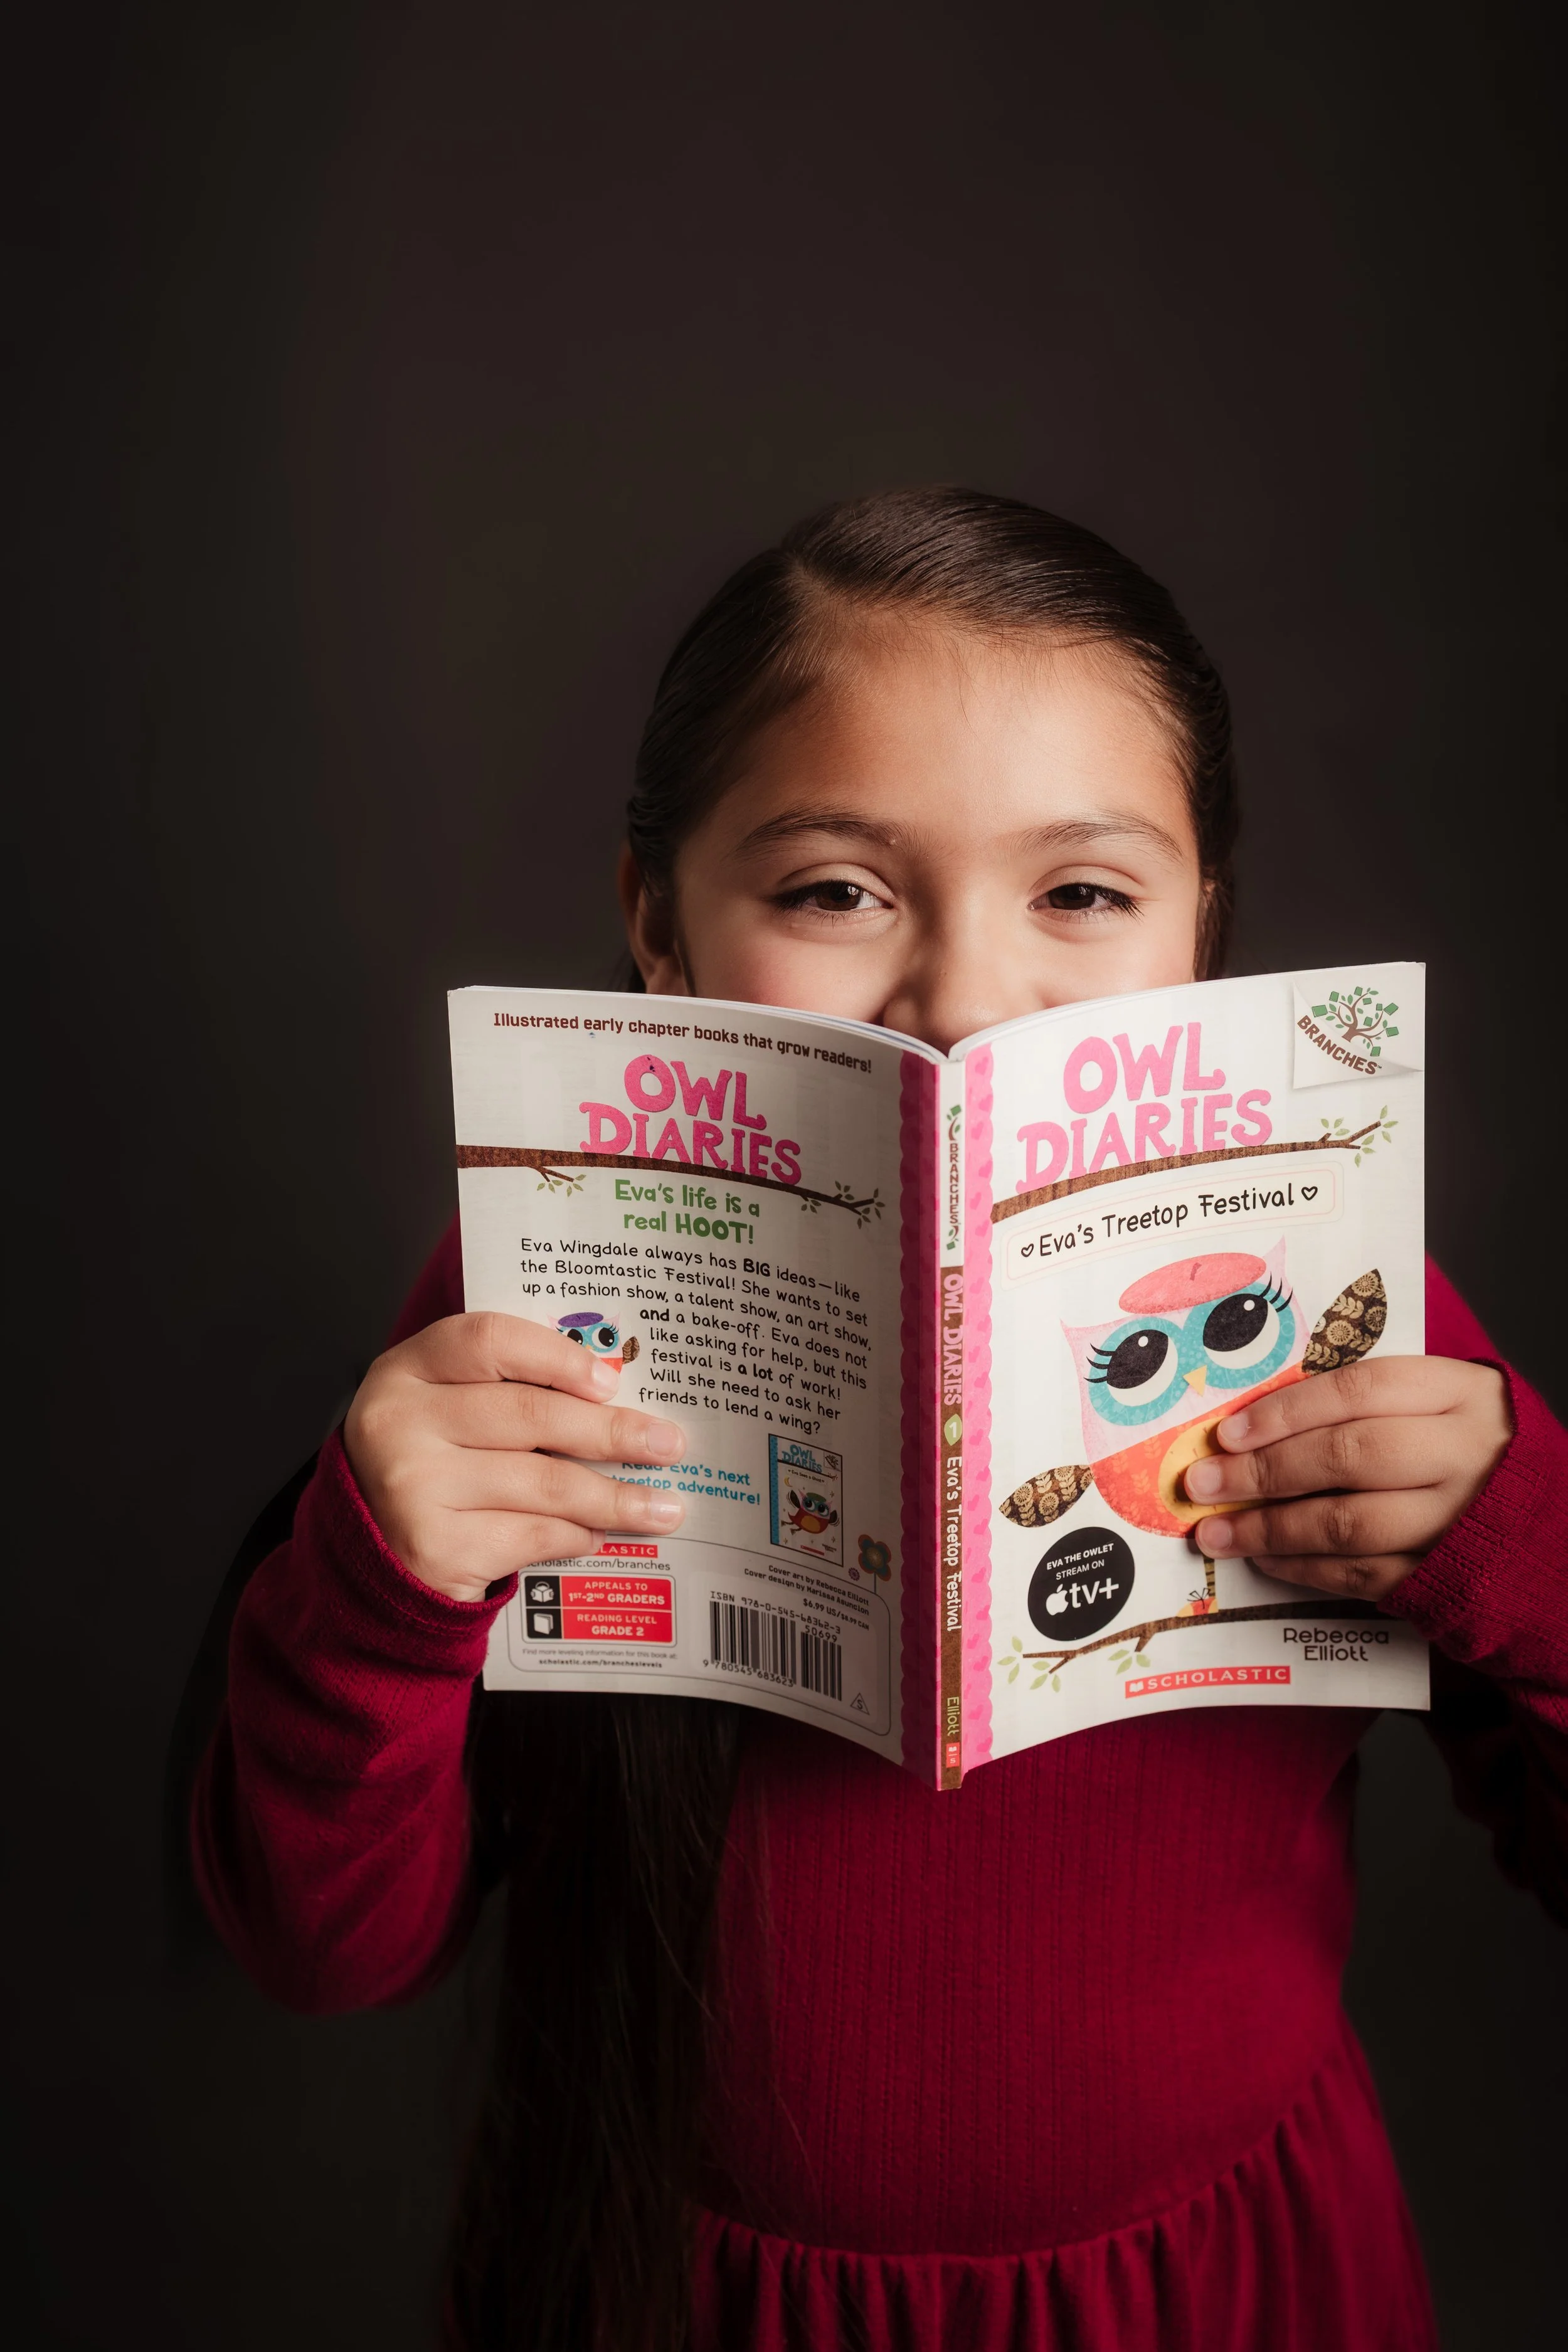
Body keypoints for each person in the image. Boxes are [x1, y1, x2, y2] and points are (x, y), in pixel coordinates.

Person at [191, 489, 1567, 2352]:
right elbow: (324, 1946)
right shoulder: (523, 1311)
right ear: (659, 924)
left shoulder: (1350, 1312)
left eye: (1082, 892)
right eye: (835, 891)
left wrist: (1523, 1544)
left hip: (1219, 2287)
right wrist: (372, 1591)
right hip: (677, 2286)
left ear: (1203, 930)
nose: (965, 1003)